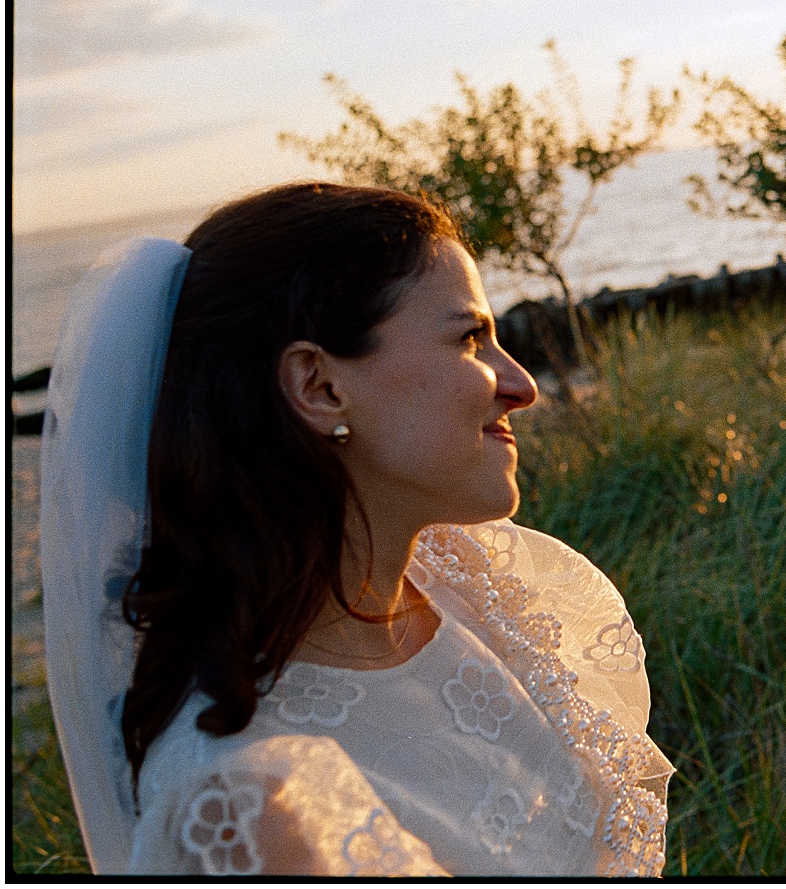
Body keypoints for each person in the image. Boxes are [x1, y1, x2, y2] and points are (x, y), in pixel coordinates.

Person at [39, 182, 673, 876]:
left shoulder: (483, 584)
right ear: (318, 386)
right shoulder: (248, 806)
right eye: (470, 338)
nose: (523, 385)